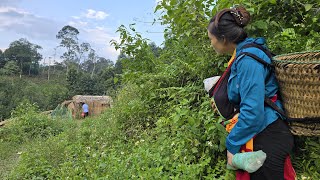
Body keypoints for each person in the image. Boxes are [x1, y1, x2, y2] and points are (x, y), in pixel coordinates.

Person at [207, 6, 295, 179]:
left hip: (268, 135)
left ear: (223, 39)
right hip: (262, 132)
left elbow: (253, 112)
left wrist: (231, 144)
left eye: (211, 39)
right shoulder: (243, 54)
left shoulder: (248, 60)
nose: (210, 43)